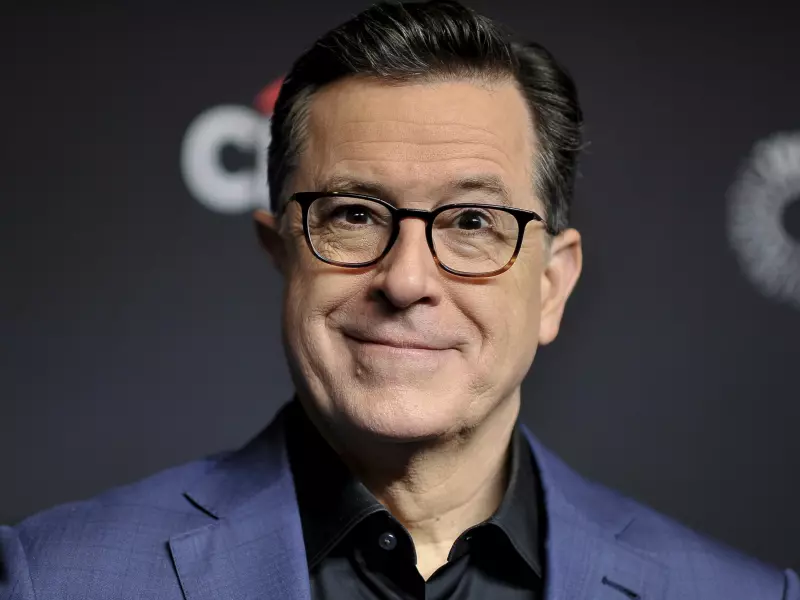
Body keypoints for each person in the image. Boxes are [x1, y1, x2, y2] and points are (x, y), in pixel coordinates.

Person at [1, 1, 797, 599]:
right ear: (281, 254)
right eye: (353, 215)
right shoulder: (53, 580)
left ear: (552, 285)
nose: (408, 280)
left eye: (473, 222)